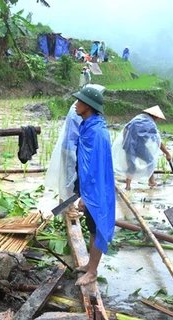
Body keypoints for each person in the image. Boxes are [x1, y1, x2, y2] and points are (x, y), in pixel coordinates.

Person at [71, 86, 116, 286]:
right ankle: (90, 265)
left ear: (88, 106)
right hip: (89, 187)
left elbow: (96, 168)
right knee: (92, 227)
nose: (75, 104)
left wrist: (87, 197)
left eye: (79, 101)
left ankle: (92, 272)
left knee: (97, 227)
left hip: (96, 189)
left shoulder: (97, 132)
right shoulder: (88, 125)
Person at [44, 84, 106, 202]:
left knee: (70, 179)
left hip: (71, 147)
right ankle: (69, 206)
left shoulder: (81, 113)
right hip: (72, 149)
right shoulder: (82, 115)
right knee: (71, 179)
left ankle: (67, 205)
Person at [112, 106, 172, 190]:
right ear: (154, 116)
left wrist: (125, 141)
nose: (157, 119)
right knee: (150, 160)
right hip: (139, 146)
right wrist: (167, 153)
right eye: (157, 118)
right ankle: (151, 182)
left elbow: (126, 128)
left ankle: (128, 186)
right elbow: (158, 142)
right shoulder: (151, 125)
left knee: (131, 166)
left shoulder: (137, 119)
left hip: (129, 145)